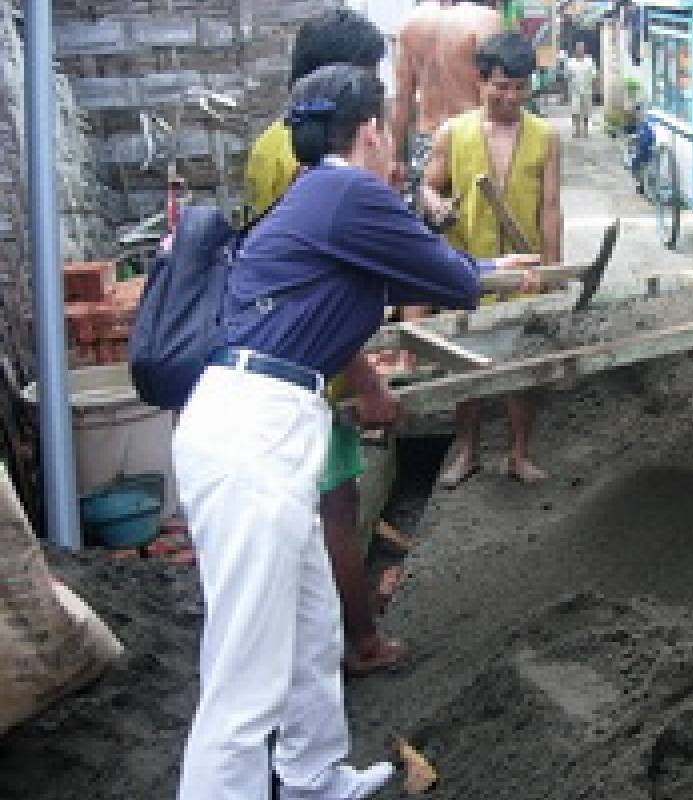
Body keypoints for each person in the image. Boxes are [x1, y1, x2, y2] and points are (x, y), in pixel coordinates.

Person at [174, 64, 540, 800]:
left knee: (311, 627)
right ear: (372, 129)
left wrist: (493, 268)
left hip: (267, 418)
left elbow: (413, 272)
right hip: (255, 433)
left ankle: (314, 777)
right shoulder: (349, 190)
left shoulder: (318, 196)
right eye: (391, 129)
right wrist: (494, 273)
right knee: (244, 679)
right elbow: (446, 277)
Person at [243, 8, 403, 678]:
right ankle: (360, 643)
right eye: (366, 80)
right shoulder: (322, 161)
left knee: (309, 512)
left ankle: (314, 651)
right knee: (336, 504)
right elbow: (320, 290)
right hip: (309, 369)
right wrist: (366, 379)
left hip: (277, 360)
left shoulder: (266, 146)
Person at [421, 32, 562, 487]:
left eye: (520, 87)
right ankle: (467, 452)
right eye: (501, 86)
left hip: (522, 269)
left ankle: (518, 454)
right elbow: (428, 186)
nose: (510, 96)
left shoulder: (545, 136)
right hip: (467, 268)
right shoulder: (453, 132)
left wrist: (553, 268)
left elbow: (550, 205)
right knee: (464, 365)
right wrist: (435, 205)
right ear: (481, 81)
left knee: (521, 364)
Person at [393, 0, 505, 202]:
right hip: (473, 136)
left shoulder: (410, 23)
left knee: (427, 222)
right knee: (479, 221)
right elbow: (499, 88)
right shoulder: (487, 20)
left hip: (427, 140)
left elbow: (402, 98)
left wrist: (396, 158)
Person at [565, 41, 597, 137]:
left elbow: (594, 75)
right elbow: (567, 76)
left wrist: (594, 88)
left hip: (587, 89)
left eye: (581, 48)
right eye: (578, 48)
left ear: (584, 50)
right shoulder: (571, 62)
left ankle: (586, 130)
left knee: (586, 111)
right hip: (575, 90)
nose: (580, 50)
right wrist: (567, 91)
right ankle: (576, 130)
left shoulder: (589, 61)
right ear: (576, 50)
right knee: (575, 111)